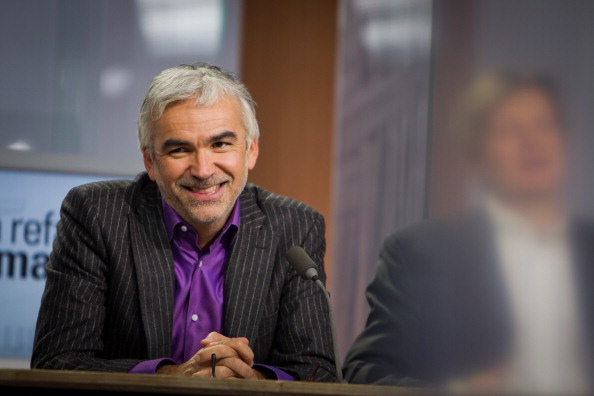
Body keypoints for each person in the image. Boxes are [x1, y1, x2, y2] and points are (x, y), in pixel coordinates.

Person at [31, 63, 336, 382]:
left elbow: (318, 371)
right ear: (150, 161)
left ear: (250, 151)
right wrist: (172, 375)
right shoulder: (96, 214)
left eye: (220, 144)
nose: (203, 169)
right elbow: (57, 361)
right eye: (179, 149)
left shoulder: (296, 226)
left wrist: (249, 380)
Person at [343, 70, 594, 393]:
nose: (533, 142)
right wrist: (457, 391)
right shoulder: (420, 253)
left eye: (545, 124)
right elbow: (365, 371)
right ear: (476, 155)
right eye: (511, 130)